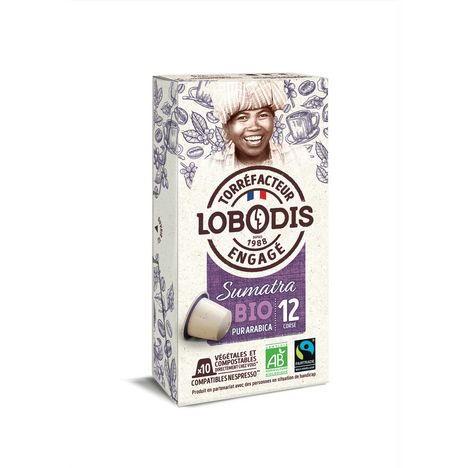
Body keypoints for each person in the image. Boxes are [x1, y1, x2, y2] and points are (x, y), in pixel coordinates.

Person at [208, 80, 303, 169]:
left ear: (273, 120)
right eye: (242, 118)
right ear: (226, 127)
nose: (254, 127)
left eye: (262, 115)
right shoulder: (212, 166)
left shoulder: (296, 157)